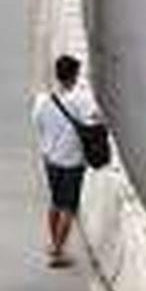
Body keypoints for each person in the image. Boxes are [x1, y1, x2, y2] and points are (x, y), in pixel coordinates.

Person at [32, 54, 99, 268]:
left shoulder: (43, 100)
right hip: (72, 161)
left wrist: (48, 146)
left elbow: (38, 124)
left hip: (50, 159)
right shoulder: (81, 100)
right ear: (74, 76)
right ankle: (58, 253)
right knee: (68, 208)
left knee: (55, 202)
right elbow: (96, 119)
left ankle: (54, 244)